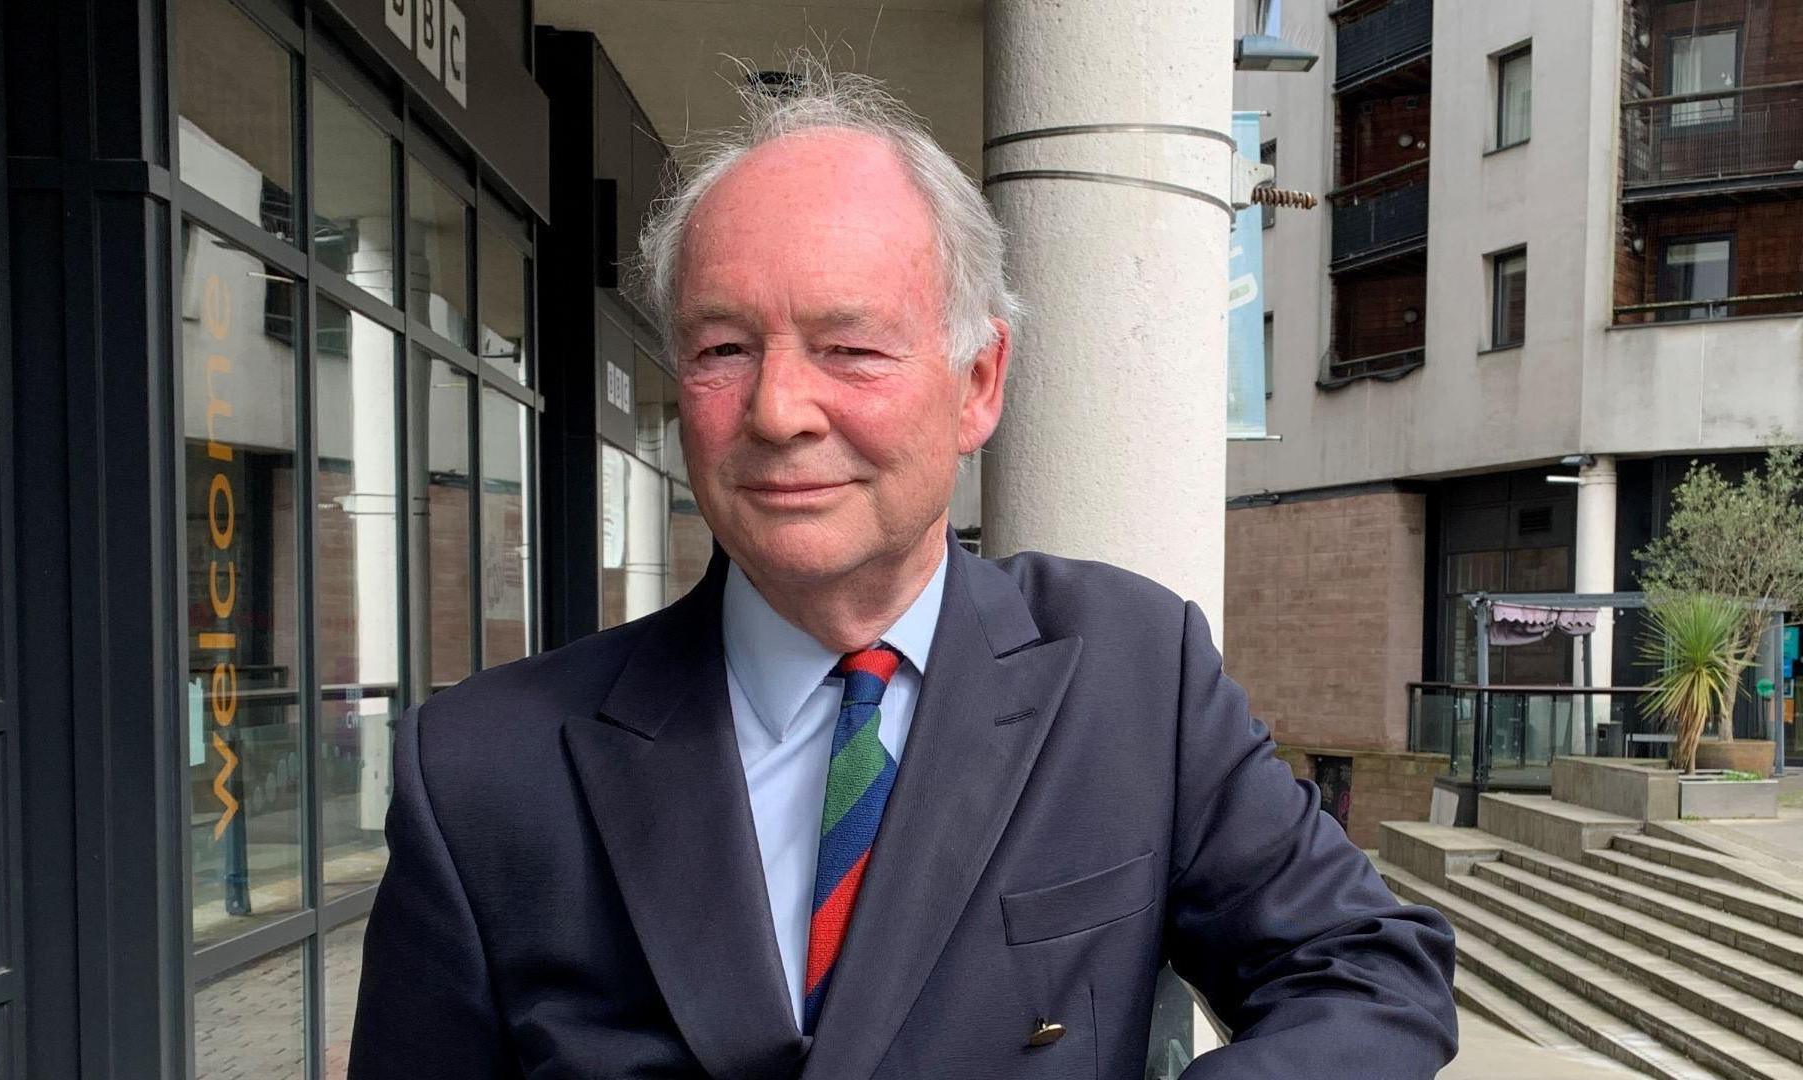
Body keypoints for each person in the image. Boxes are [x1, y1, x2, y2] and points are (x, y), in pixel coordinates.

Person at [349, 59, 1458, 1080]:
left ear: (978, 384)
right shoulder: (484, 770)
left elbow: (1372, 972)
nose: (781, 411)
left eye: (850, 348)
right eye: (724, 348)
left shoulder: (1131, 675)